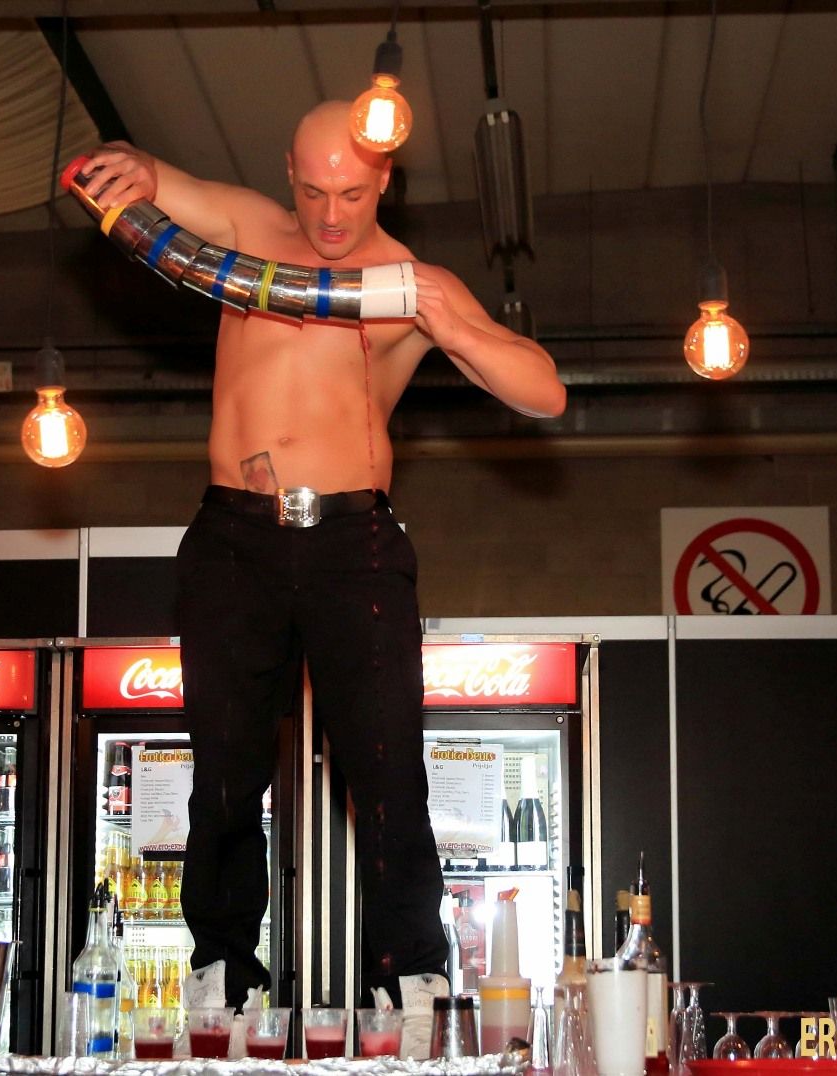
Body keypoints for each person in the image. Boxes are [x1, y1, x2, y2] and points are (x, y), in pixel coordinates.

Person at [79, 101, 565, 1052]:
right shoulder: (252, 228)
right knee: (225, 770)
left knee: (388, 766)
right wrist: (130, 164)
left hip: (354, 544)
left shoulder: (412, 282)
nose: (330, 214)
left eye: (350, 193)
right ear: (287, 176)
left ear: (385, 180)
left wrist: (449, 325)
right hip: (235, 536)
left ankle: (412, 978)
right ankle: (222, 975)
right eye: (312, 191)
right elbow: (156, 181)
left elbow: (545, 390)